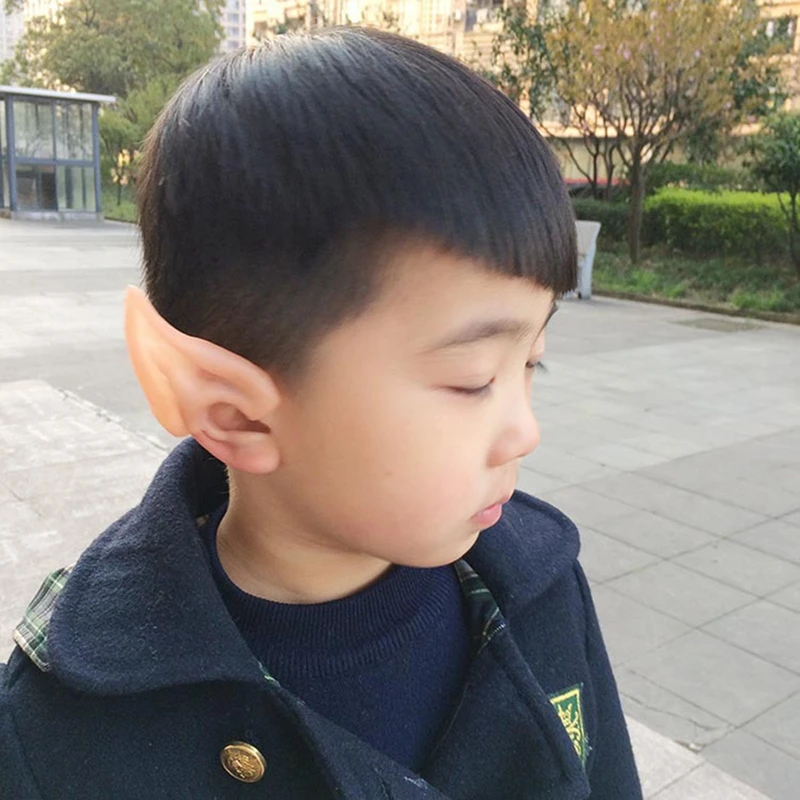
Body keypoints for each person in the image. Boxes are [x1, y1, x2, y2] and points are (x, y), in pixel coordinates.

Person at [0, 27, 642, 799]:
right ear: (233, 413)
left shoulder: (540, 588)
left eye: (532, 363)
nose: (525, 430)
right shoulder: (65, 729)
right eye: (475, 380)